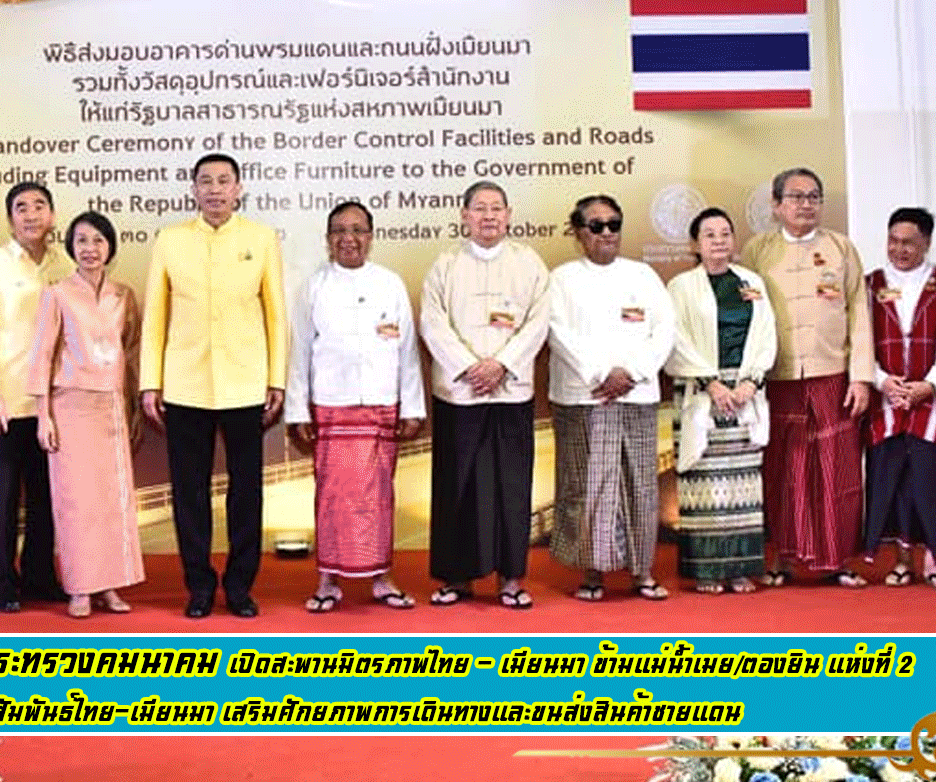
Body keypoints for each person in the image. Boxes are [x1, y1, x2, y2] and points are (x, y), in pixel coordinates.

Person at [139, 153, 287, 619]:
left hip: (246, 382)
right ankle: (199, 586)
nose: (215, 189)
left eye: (224, 181)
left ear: (239, 189)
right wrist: (150, 382)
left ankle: (240, 586)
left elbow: (276, 314)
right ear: (194, 190)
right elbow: (155, 315)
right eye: (206, 181)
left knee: (247, 492)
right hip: (185, 383)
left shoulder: (260, 238)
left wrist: (276, 378)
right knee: (189, 492)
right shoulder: (171, 240)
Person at [286, 201, 426, 613]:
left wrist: (412, 407)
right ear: (328, 239)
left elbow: (406, 351)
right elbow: (299, 353)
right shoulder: (314, 287)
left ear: (371, 236)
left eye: (358, 230)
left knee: (378, 499)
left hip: (380, 406)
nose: (349, 238)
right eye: (340, 231)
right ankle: (327, 581)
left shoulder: (390, 283)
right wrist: (298, 411)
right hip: (332, 407)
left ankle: (382, 578)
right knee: (333, 498)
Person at [739, 168, 875, 588]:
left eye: (813, 196)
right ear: (776, 205)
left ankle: (839, 559)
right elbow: (747, 314)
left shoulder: (840, 248)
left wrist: (861, 378)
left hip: (832, 375)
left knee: (837, 471)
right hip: (778, 377)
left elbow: (860, 313)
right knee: (784, 471)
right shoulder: (758, 251)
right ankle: (783, 558)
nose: (805, 204)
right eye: (796, 197)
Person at [419, 181, 551, 609]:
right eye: (479, 208)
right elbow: (432, 323)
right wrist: (469, 367)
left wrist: (502, 365)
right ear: (464, 216)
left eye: (496, 208)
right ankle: (457, 578)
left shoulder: (529, 263)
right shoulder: (446, 265)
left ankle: (511, 578)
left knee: (511, 487)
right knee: (458, 486)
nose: (488, 216)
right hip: (460, 394)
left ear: (509, 215)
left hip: (511, 393)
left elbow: (538, 322)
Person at [547, 195, 676, 601]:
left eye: (614, 224)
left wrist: (631, 373)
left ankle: (643, 572)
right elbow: (557, 333)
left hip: (636, 395)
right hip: (585, 397)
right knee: (589, 486)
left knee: (640, 485)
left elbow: (665, 330)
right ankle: (592, 573)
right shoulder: (562, 279)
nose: (607, 233)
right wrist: (602, 374)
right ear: (578, 232)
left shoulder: (643, 275)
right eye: (597, 225)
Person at [28, 211, 145, 618]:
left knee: (111, 501)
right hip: (70, 406)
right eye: (81, 241)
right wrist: (43, 415)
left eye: (98, 240)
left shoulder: (123, 296)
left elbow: (131, 352)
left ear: (110, 247)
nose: (90, 249)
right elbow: (42, 355)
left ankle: (109, 585)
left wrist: (132, 405)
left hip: (111, 406)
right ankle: (79, 587)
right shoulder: (57, 294)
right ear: (70, 247)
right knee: (76, 502)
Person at [0, 181, 72, 613]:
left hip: (52, 406)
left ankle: (40, 577)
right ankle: (2, 583)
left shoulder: (66, 264)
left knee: (46, 498)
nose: (31, 214)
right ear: (10, 220)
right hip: (4, 402)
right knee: (2, 498)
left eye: (39, 206)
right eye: (21, 208)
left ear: (52, 216)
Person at [665, 207, 776, 596]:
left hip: (744, 395)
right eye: (709, 234)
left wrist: (749, 382)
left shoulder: (751, 282)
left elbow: (766, 333)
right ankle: (708, 570)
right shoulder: (681, 287)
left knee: (743, 488)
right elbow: (675, 339)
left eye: (725, 233)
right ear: (694, 244)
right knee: (704, 485)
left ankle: (741, 569)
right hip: (701, 393)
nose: (719, 241)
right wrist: (711, 383)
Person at [864, 207, 936, 591]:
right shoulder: (869, 285)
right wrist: (881, 381)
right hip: (887, 401)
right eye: (893, 241)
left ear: (927, 242)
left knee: (934, 481)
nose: (900, 249)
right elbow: (858, 343)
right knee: (892, 483)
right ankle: (902, 562)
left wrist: (930, 384)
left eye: (909, 242)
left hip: (935, 401)